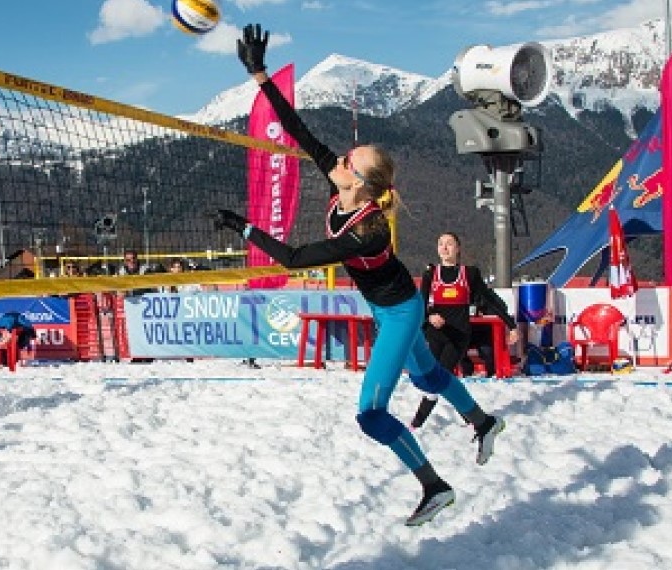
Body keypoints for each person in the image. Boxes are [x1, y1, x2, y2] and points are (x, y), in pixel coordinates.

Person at [212, 24, 506, 526]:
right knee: (428, 376)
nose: (342, 159)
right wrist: (260, 75)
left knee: (371, 414)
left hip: (399, 313)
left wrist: (245, 228)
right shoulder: (342, 182)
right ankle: (483, 421)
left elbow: (294, 258)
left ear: (361, 182)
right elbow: (297, 129)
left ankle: (433, 485)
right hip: (393, 305)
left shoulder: (369, 230)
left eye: (350, 160)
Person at [410, 233, 520, 430]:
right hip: (436, 335)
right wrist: (430, 316)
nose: (444, 248)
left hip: (458, 335)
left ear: (458, 248)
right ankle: (472, 419)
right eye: (441, 244)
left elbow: (489, 300)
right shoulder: (431, 273)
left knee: (440, 377)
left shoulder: (469, 273)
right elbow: (421, 305)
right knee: (439, 380)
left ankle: (417, 423)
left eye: (449, 244)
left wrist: (511, 325)